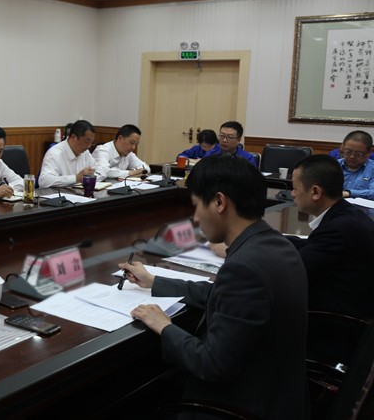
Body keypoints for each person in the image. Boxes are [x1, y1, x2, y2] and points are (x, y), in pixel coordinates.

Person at [119, 155, 308, 418]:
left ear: (219, 202)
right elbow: (219, 295)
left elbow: (211, 365)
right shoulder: (276, 245)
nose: (196, 218)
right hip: (279, 394)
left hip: (242, 406)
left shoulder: (245, 268)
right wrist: (155, 282)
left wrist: (164, 326)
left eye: (197, 206)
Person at [287, 154, 374, 319]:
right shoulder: (346, 213)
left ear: (315, 192)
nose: (292, 194)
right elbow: (311, 246)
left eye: (295, 188)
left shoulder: (339, 229)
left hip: (337, 321)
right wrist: (272, 239)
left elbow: (293, 271)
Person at [38, 120, 99, 188]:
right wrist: (76, 178)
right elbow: (44, 181)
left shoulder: (85, 153)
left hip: (78, 193)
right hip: (57, 194)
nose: (89, 146)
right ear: (73, 137)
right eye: (87, 141)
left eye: (91, 143)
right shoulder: (55, 153)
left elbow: (97, 170)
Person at [336, 130, 374, 199]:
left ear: (369, 152)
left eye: (358, 154)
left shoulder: (372, 168)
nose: (352, 157)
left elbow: (373, 192)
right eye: (348, 152)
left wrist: (349, 193)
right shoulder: (333, 165)